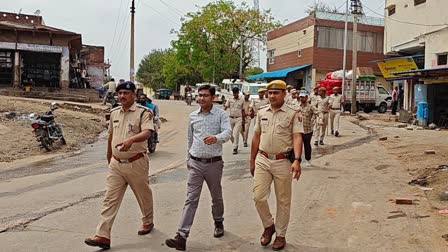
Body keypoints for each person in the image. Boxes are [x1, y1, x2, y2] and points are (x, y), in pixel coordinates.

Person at [84, 81, 155, 250]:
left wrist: (131, 140)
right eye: (120, 93)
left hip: (136, 162)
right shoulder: (114, 112)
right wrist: (109, 157)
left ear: (134, 96)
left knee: (143, 195)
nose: (122, 96)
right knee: (110, 198)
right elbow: (110, 136)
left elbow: (147, 132)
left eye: (126, 93)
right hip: (116, 164)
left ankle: (148, 221)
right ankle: (102, 236)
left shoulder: (144, 113)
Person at [165, 85, 231, 251]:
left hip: (213, 163)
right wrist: (188, 158)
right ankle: (181, 235)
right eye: (200, 95)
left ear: (213, 97)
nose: (202, 98)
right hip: (195, 163)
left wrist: (216, 138)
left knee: (216, 196)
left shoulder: (221, 114)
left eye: (205, 96)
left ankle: (218, 222)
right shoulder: (193, 116)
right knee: (191, 198)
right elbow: (190, 138)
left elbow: (228, 133)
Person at [250, 79, 304, 251]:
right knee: (258, 197)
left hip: (283, 161)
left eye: (276, 93)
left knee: (283, 201)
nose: (272, 96)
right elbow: (256, 136)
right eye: (270, 93)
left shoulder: (293, 113)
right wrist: (252, 160)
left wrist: (297, 159)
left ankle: (280, 235)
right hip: (263, 159)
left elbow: (297, 137)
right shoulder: (262, 112)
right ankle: (268, 225)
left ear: (284, 94)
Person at [223, 87, 245, 154]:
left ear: (238, 92)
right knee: (229, 133)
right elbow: (225, 107)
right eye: (234, 92)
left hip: (239, 118)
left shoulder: (242, 100)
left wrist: (243, 120)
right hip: (231, 118)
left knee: (236, 133)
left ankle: (235, 147)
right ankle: (234, 144)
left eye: (236, 92)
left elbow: (243, 111)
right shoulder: (230, 99)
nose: (235, 94)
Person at [297, 91, 316, 167]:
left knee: (307, 145)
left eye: (303, 97)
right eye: (301, 97)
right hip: (298, 129)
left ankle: (308, 159)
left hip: (308, 129)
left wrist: (320, 118)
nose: (302, 98)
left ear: (307, 98)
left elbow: (318, 112)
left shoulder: (311, 107)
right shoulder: (297, 106)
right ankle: (298, 160)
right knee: (298, 145)